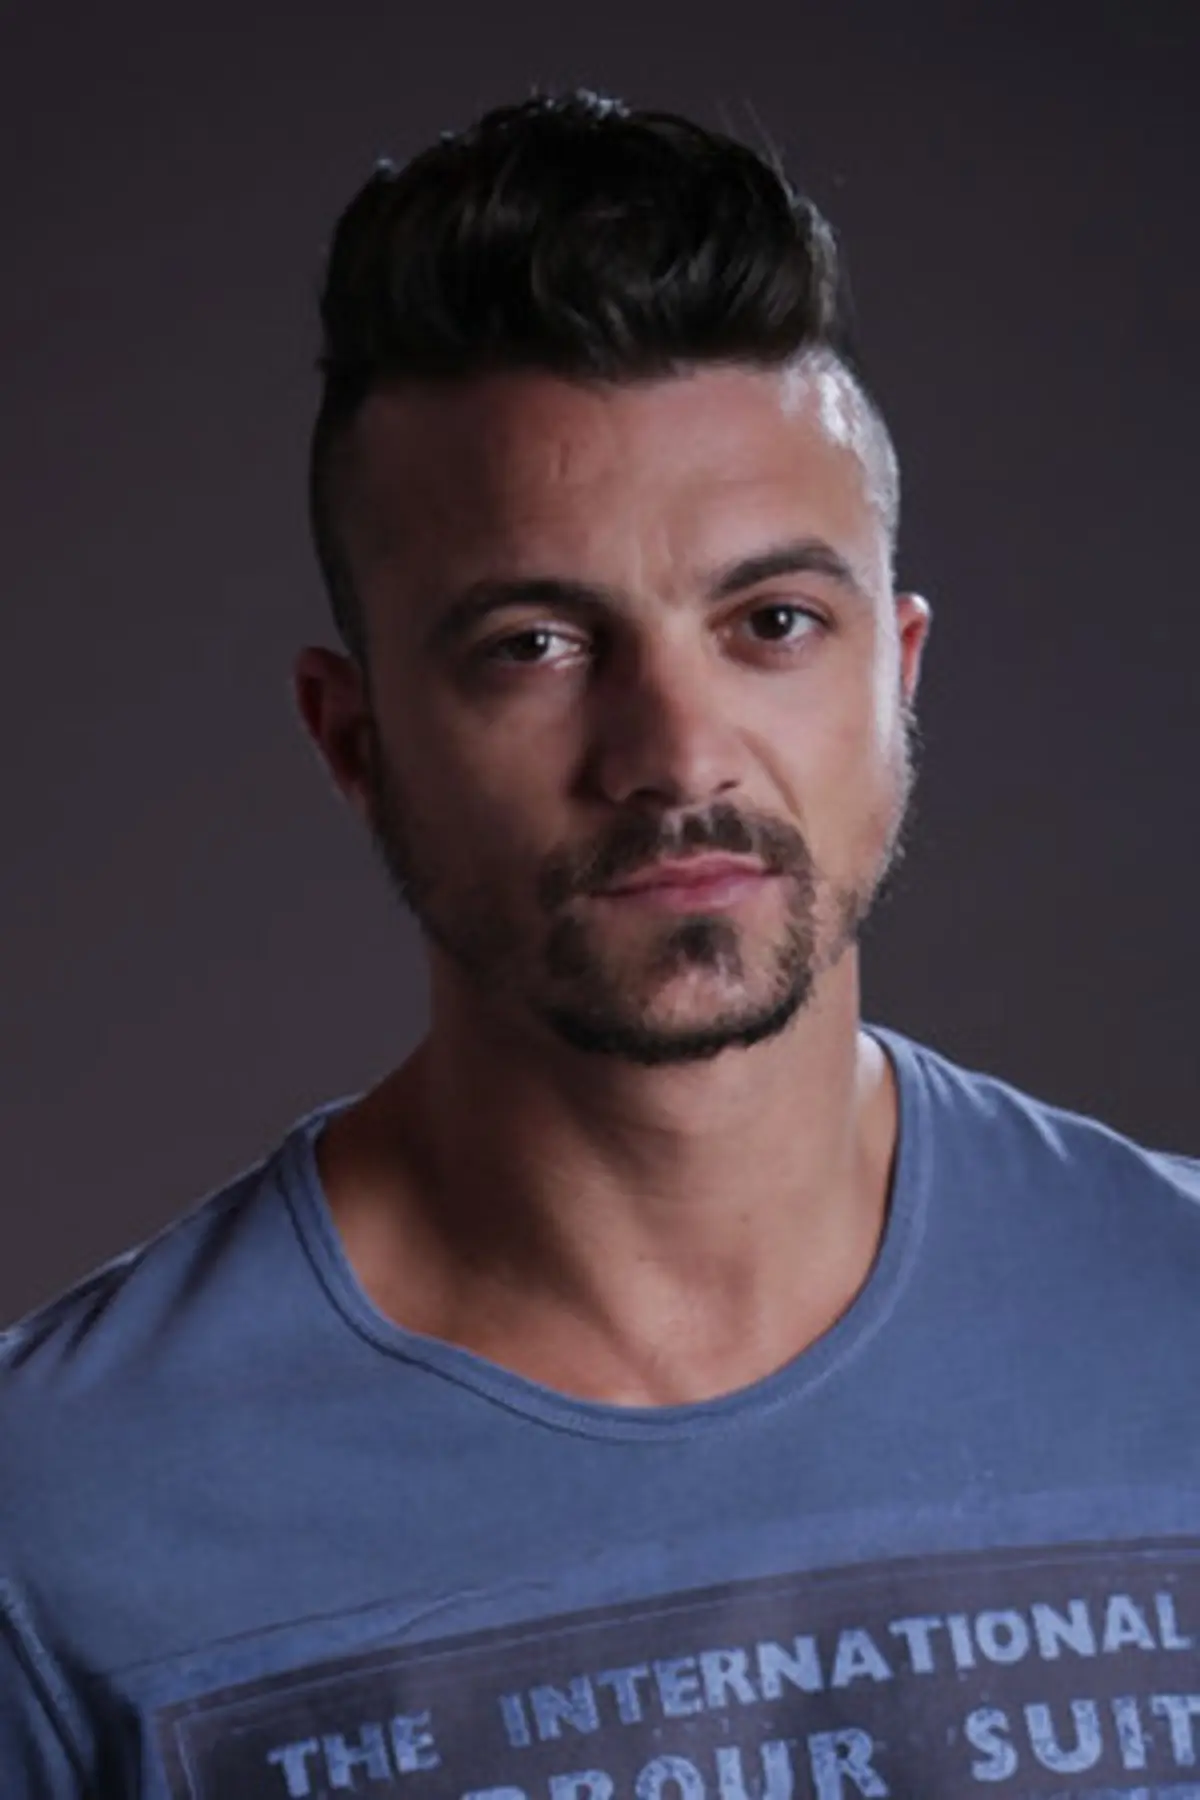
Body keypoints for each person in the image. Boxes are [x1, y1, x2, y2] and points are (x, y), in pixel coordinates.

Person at [1, 88, 1196, 1800]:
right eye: (537, 645)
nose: (679, 757)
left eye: (773, 622)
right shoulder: (58, 1522)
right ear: (355, 740)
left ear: (898, 674)